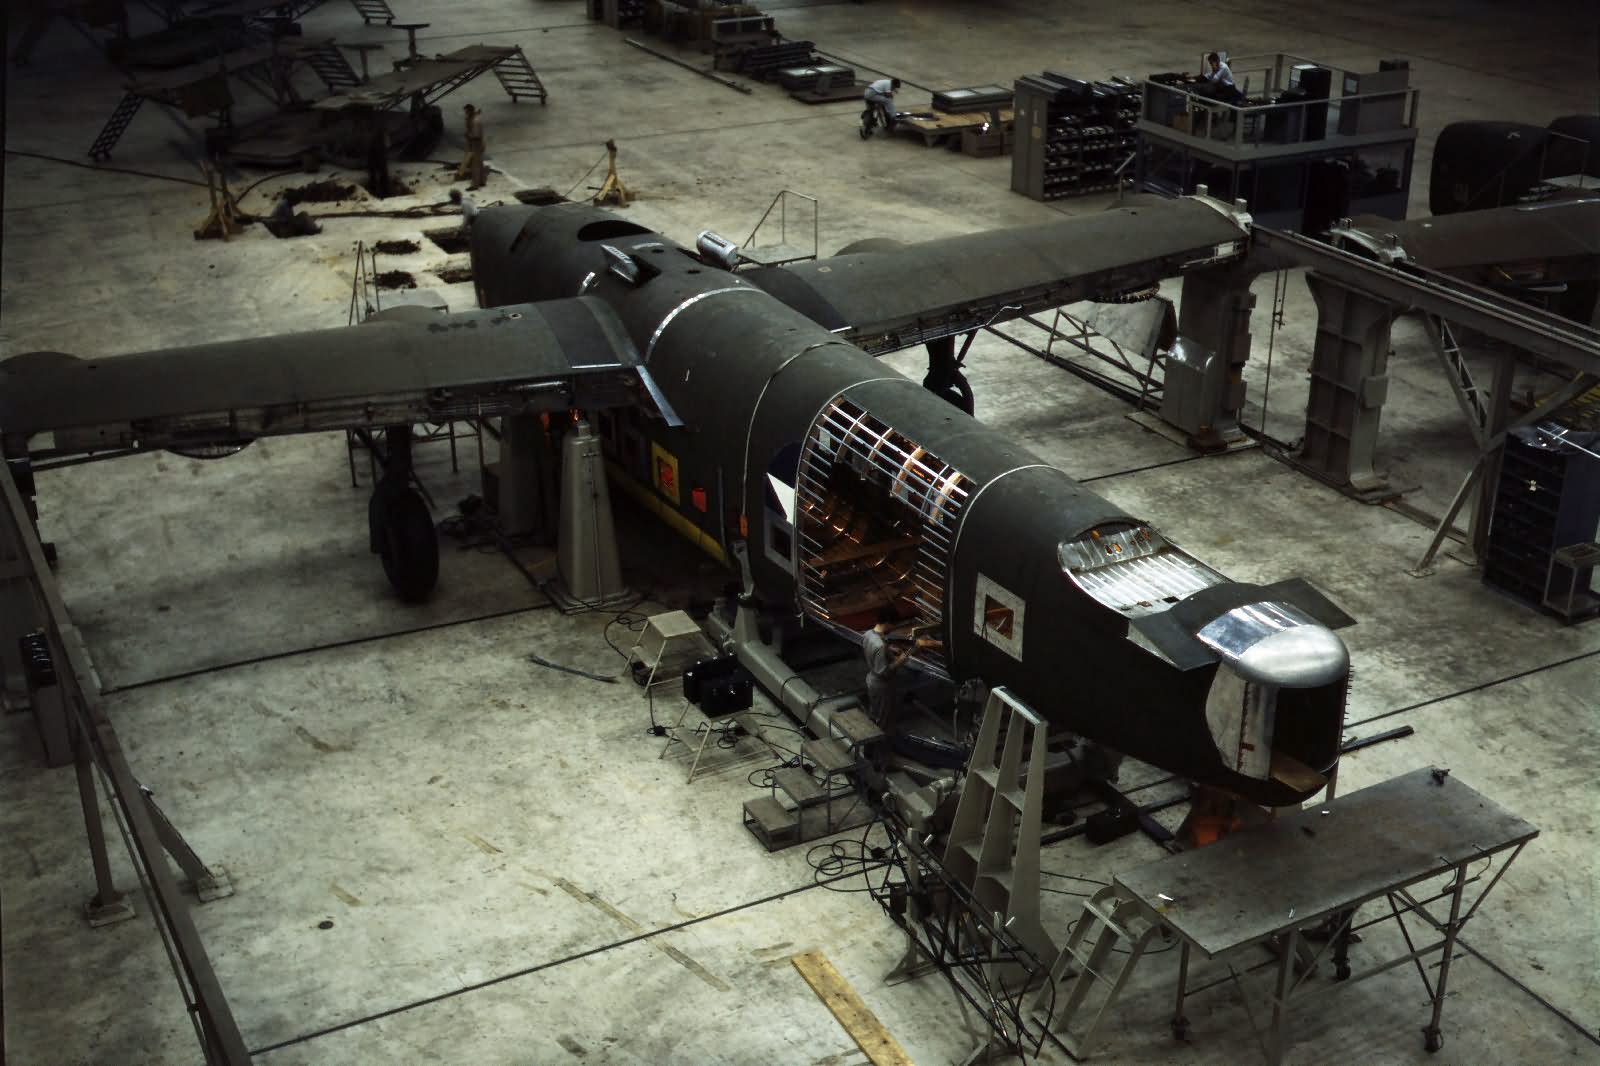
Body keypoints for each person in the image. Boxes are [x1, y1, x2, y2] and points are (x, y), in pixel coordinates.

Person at [456, 103, 486, 190]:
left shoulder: (475, 121)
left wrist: (467, 135)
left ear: (469, 112)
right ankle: (482, 181)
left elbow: (476, 135)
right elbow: (475, 114)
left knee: (475, 166)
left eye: (466, 112)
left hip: (476, 145)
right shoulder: (473, 117)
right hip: (479, 144)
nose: (465, 114)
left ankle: (475, 185)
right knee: (480, 163)